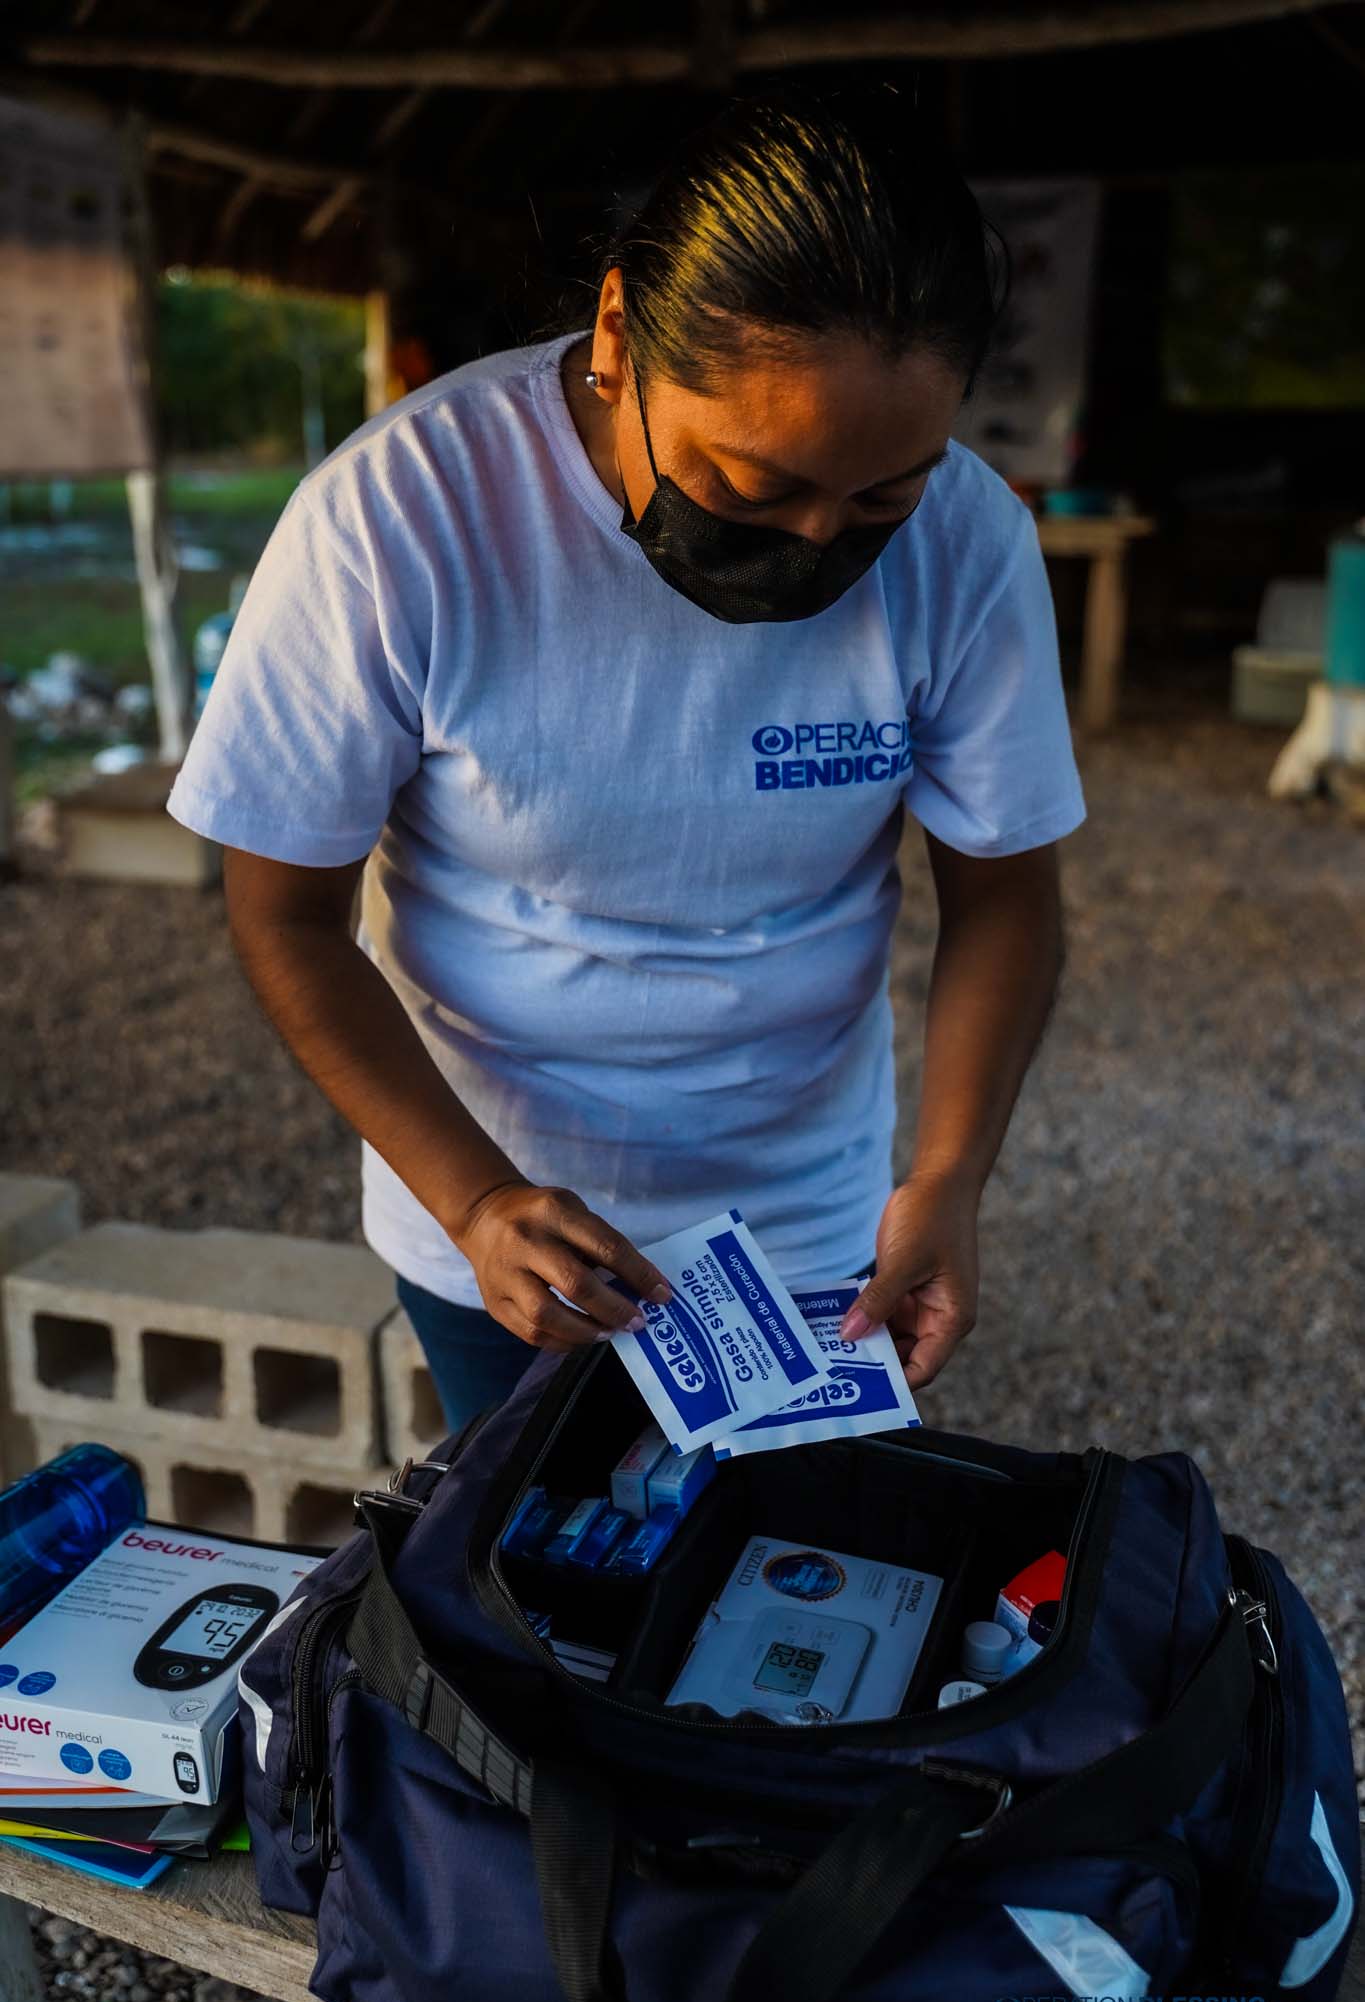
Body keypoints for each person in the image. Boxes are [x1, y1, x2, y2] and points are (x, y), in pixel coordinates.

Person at [166, 85, 1085, 1433]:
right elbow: (286, 916)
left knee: (785, 1587)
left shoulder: (967, 541)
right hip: (499, 1192)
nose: (822, 539)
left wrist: (946, 1175)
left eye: (880, 494)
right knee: (534, 1576)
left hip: (810, 1201)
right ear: (615, 338)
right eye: (756, 486)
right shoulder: (400, 517)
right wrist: (475, 1202)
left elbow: (1003, 894)